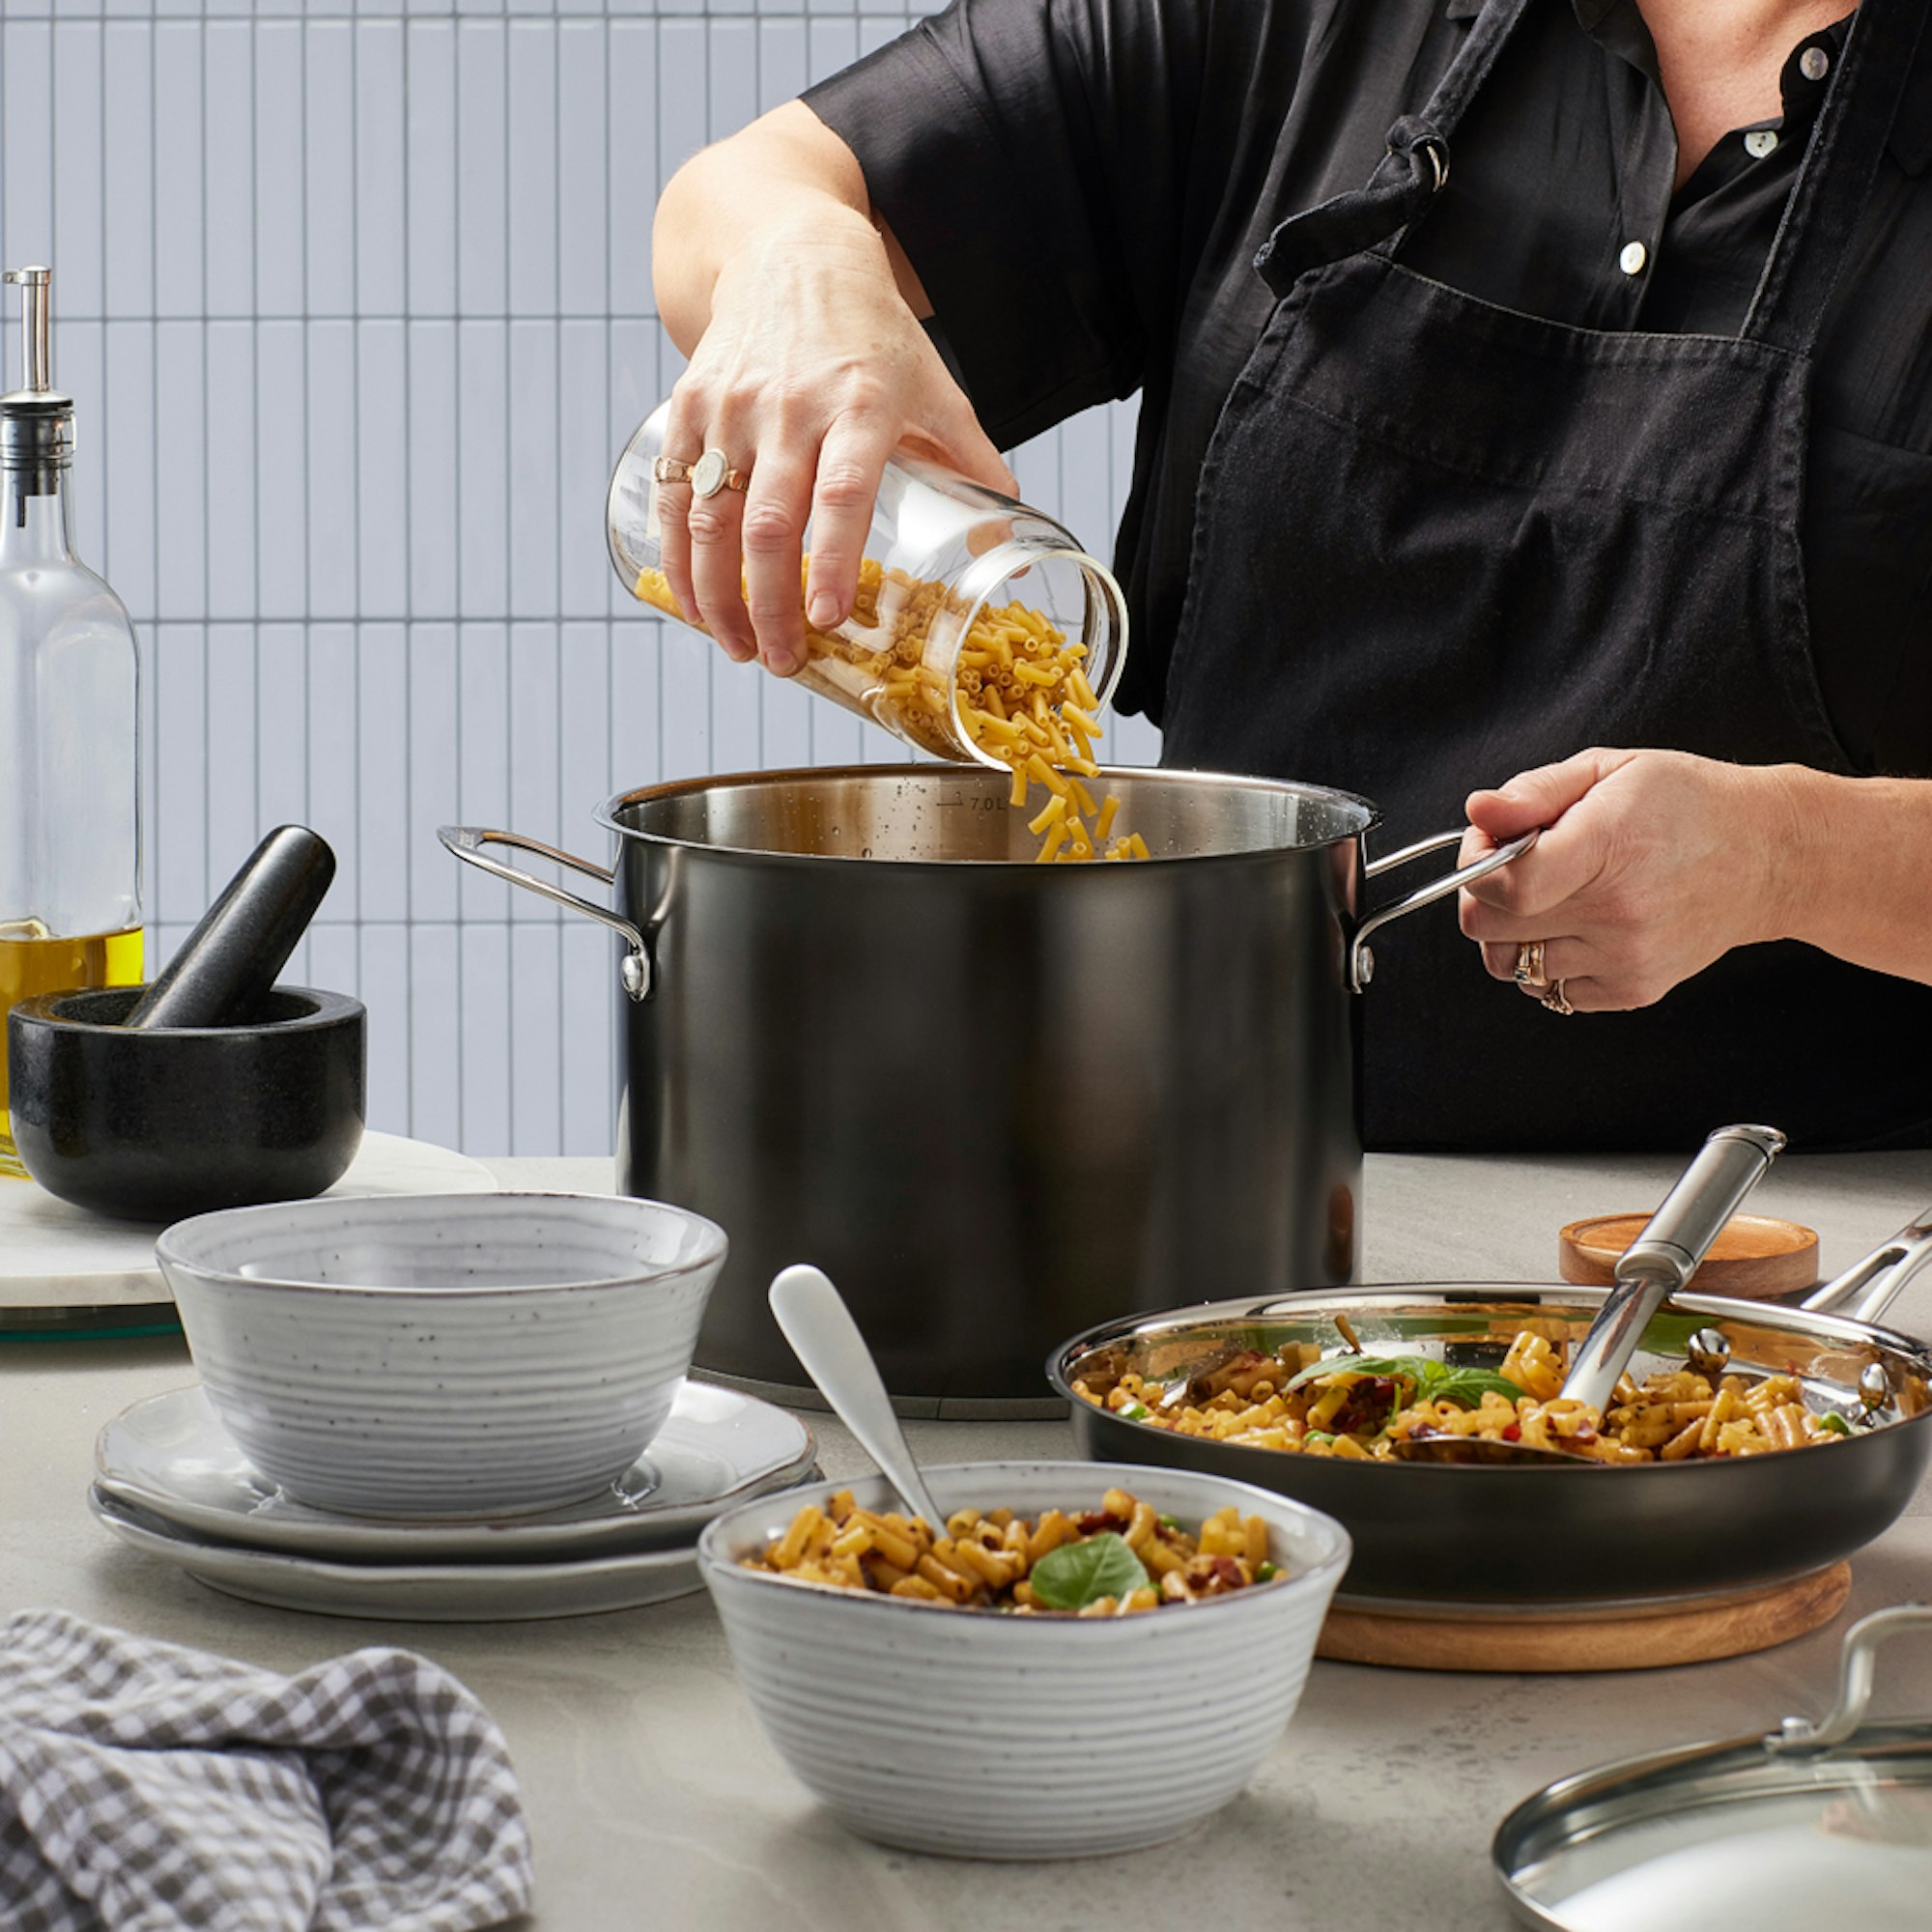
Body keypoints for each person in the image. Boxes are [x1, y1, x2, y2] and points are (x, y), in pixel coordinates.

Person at [647, 0, 1932, 1151]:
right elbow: (748, 186)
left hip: (1818, 1266)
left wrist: (1789, 859)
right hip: (1216, 1211)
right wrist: (796, 266)